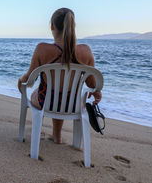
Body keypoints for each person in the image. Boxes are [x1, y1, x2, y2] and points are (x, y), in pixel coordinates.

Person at [17, 8, 102, 144]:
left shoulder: (42, 49)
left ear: (52, 26)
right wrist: (97, 92)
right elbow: (92, 84)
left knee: (40, 92)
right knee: (63, 95)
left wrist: (20, 81)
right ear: (73, 26)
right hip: (73, 105)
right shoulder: (85, 51)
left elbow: (28, 80)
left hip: (45, 102)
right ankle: (57, 136)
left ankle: (38, 129)